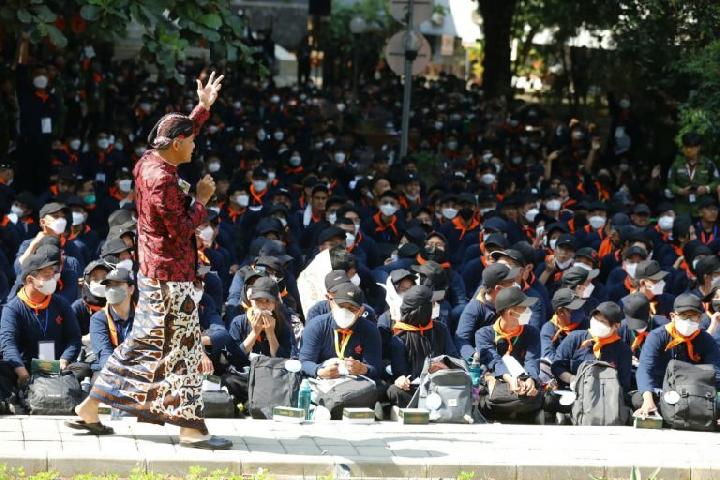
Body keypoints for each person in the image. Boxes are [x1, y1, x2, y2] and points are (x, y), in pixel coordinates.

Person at [68, 72, 232, 449]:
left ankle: (90, 409)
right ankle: (190, 429)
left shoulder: (150, 160)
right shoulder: (161, 179)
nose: (194, 148)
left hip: (160, 273)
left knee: (149, 345)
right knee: (185, 349)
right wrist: (203, 198)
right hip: (169, 276)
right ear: (175, 143)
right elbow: (181, 226)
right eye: (190, 141)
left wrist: (202, 108)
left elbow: (183, 134)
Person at [0, 251, 83, 387]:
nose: (52, 280)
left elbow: (74, 338)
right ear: (29, 280)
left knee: (83, 370)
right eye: (46, 276)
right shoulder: (13, 309)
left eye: (52, 275)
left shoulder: (61, 303)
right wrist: (21, 371)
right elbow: (8, 344)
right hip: (25, 366)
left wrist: (64, 360)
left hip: (57, 365)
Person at [633, 294, 720, 418]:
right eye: (684, 316)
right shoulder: (657, 336)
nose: (688, 321)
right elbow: (645, 369)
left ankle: (676, 414)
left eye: (693, 316)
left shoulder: (706, 340)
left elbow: (716, 372)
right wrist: (648, 400)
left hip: (695, 392)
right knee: (638, 399)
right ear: (673, 316)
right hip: (662, 391)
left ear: (700, 319)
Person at [224, 276, 295, 403]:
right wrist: (254, 333)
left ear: (275, 304)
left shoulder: (282, 324)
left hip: (270, 376)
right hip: (244, 376)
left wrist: (271, 333)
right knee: (229, 381)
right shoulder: (239, 322)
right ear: (251, 301)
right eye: (258, 301)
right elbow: (234, 359)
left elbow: (283, 360)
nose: (263, 306)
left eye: (268, 301)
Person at [386, 285, 458, 408]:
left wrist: (445, 366)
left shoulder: (440, 328)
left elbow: (455, 359)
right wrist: (402, 380)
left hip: (440, 385)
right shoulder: (399, 337)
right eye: (433, 303)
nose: (436, 306)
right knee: (394, 391)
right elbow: (400, 373)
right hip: (415, 388)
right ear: (423, 310)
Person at [475, 287, 542, 419]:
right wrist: (510, 379)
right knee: (492, 396)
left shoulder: (531, 332)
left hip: (523, 380)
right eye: (524, 308)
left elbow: (532, 360)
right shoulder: (484, 334)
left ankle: (520, 406)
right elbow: (494, 362)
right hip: (501, 381)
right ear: (510, 312)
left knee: (534, 393)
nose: (528, 311)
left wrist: (530, 379)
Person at [299, 282, 382, 380]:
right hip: (321, 383)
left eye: (352, 309)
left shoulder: (370, 330)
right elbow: (304, 363)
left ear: (360, 311)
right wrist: (319, 371)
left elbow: (376, 368)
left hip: (355, 386)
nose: (345, 312)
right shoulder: (316, 326)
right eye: (341, 306)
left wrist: (363, 369)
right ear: (331, 303)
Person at [551, 301, 633, 394]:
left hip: (604, 399)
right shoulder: (575, 338)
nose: (597, 323)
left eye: (602, 321)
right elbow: (556, 366)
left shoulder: (623, 351)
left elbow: (623, 385)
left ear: (616, 326)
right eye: (595, 319)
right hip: (570, 393)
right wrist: (572, 379)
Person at [89, 268, 135, 373]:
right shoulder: (98, 319)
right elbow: (104, 354)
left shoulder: (144, 316)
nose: (111, 289)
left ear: (131, 289)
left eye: (117, 284)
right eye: (108, 286)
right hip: (111, 372)